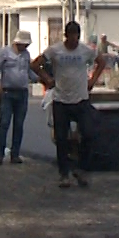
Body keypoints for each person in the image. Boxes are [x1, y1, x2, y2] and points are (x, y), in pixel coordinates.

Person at [32, 20, 107, 188]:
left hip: (80, 99)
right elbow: (35, 64)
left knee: (88, 133)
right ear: (66, 36)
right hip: (61, 99)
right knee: (61, 138)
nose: (74, 40)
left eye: (76, 37)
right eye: (71, 37)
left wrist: (92, 80)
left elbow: (101, 62)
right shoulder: (55, 50)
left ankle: (82, 169)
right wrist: (47, 79)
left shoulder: (85, 50)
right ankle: (64, 173)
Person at [0, 29, 36, 165]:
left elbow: (30, 72)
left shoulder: (26, 55)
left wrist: (41, 78)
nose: (25, 47)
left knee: (19, 124)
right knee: (4, 123)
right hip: (7, 92)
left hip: (22, 92)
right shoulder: (5, 52)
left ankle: (15, 154)